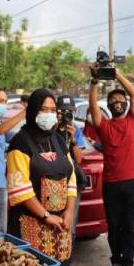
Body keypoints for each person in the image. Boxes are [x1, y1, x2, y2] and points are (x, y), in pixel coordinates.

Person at [6, 89, 77, 262]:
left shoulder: (59, 140)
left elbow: (72, 178)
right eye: (43, 109)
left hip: (60, 226)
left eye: (52, 110)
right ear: (32, 111)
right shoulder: (20, 142)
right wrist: (46, 216)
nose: (49, 114)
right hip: (30, 224)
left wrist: (69, 212)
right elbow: (19, 188)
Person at [89, 65, 134, 266]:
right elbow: (93, 104)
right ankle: (116, 262)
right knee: (114, 226)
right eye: (113, 101)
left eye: (120, 100)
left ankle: (128, 264)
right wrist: (94, 82)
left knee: (129, 226)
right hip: (111, 183)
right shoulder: (104, 126)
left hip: (131, 182)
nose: (117, 102)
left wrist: (116, 74)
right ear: (109, 106)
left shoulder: (133, 120)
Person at [0, 88, 26, 232]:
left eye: (5, 101)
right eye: (0, 101)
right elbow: (0, 130)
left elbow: (12, 136)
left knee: (3, 230)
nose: (3, 105)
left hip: (1, 184)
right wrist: (23, 113)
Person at [56, 95, 87, 246]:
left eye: (70, 111)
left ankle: (67, 256)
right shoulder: (50, 127)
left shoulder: (75, 130)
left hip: (71, 182)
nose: (66, 114)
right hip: (53, 180)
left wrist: (73, 139)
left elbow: (79, 159)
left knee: (70, 222)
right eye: (62, 111)